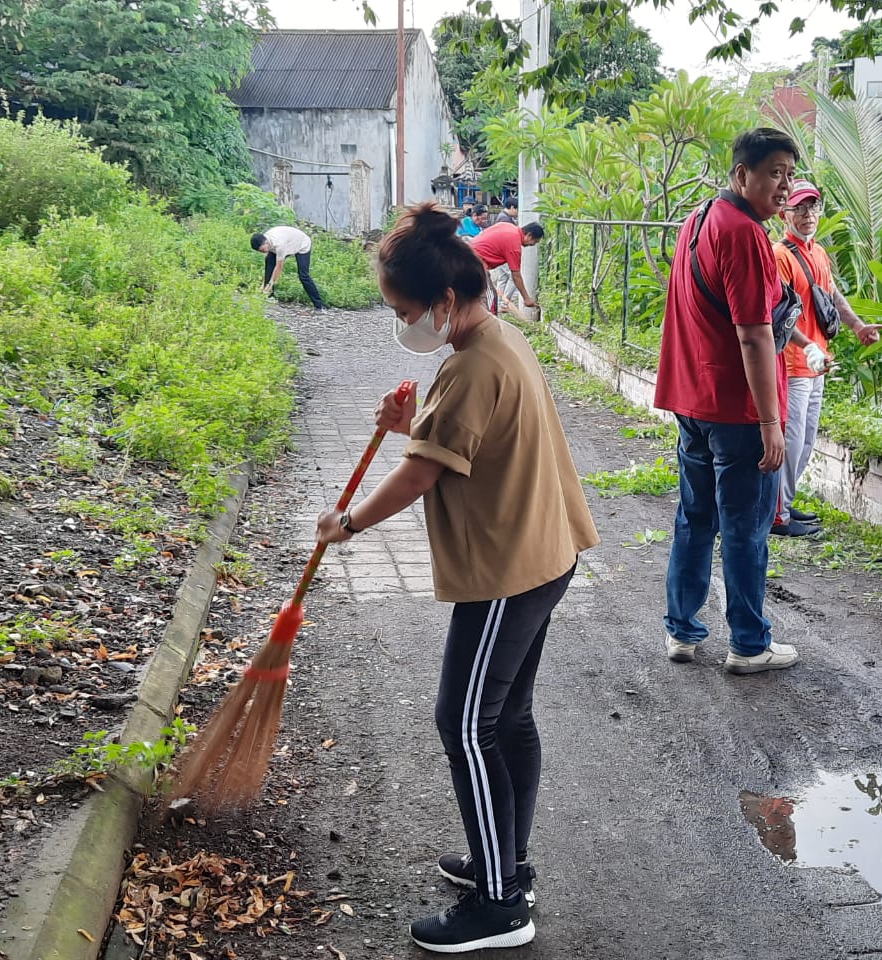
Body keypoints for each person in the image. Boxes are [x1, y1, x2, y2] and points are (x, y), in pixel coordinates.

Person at [315, 202, 599, 953]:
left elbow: (418, 478)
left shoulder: (471, 367)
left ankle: (501, 906)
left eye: (406, 310)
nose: (403, 323)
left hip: (510, 569)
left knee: (464, 721)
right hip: (544, 554)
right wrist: (412, 426)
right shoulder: (494, 338)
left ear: (444, 301)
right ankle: (505, 865)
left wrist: (346, 525)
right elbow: (459, 443)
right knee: (505, 719)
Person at [655, 127, 799, 675]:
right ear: (742, 175)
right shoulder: (745, 234)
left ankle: (683, 631)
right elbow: (754, 334)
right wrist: (770, 422)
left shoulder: (698, 220)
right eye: (773, 173)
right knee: (744, 528)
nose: (783, 186)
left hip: (692, 399)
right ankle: (748, 643)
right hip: (736, 410)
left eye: (789, 173)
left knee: (695, 519)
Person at [771, 180, 882, 537]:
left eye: (813, 207)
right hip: (792, 363)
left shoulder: (817, 252)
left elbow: (832, 294)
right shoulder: (780, 256)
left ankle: (784, 505)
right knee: (789, 441)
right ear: (785, 214)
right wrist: (806, 346)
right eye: (800, 208)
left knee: (805, 440)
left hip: (817, 363)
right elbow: (777, 313)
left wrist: (858, 326)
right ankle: (775, 515)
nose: (808, 215)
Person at [471, 221, 544, 312]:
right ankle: (489, 324)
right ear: (529, 235)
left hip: (467, 254)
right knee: (490, 298)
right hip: (474, 264)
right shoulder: (515, 246)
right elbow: (516, 275)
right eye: (535, 241)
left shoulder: (507, 226)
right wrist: (526, 298)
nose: (532, 245)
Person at [251, 225, 324, 310]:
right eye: (260, 251)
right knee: (269, 260)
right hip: (288, 241)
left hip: (302, 244)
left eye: (262, 250)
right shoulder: (266, 240)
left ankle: (319, 305)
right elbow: (271, 265)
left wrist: (271, 284)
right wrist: (264, 283)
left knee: (303, 275)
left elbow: (279, 267)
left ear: (266, 242)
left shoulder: (279, 244)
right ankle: (268, 295)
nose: (262, 252)